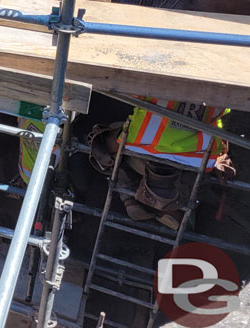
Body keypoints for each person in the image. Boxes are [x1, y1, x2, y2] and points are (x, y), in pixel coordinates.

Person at [90, 98, 236, 230]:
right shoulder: (221, 95)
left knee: (117, 143)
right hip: (195, 161)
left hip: (147, 150)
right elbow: (223, 116)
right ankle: (168, 209)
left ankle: (129, 198)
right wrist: (221, 154)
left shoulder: (159, 81)